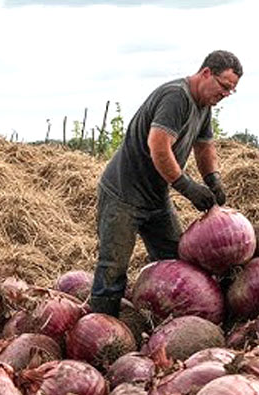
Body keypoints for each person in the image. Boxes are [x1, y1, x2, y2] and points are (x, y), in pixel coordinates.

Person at [89, 50, 242, 318]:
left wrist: (212, 179)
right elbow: (158, 145)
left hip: (155, 197)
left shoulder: (203, 105)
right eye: (224, 86)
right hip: (124, 193)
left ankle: (167, 321)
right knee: (113, 268)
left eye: (232, 91)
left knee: (176, 261)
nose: (226, 95)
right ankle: (104, 330)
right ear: (206, 73)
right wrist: (186, 186)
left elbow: (204, 147)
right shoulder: (176, 97)